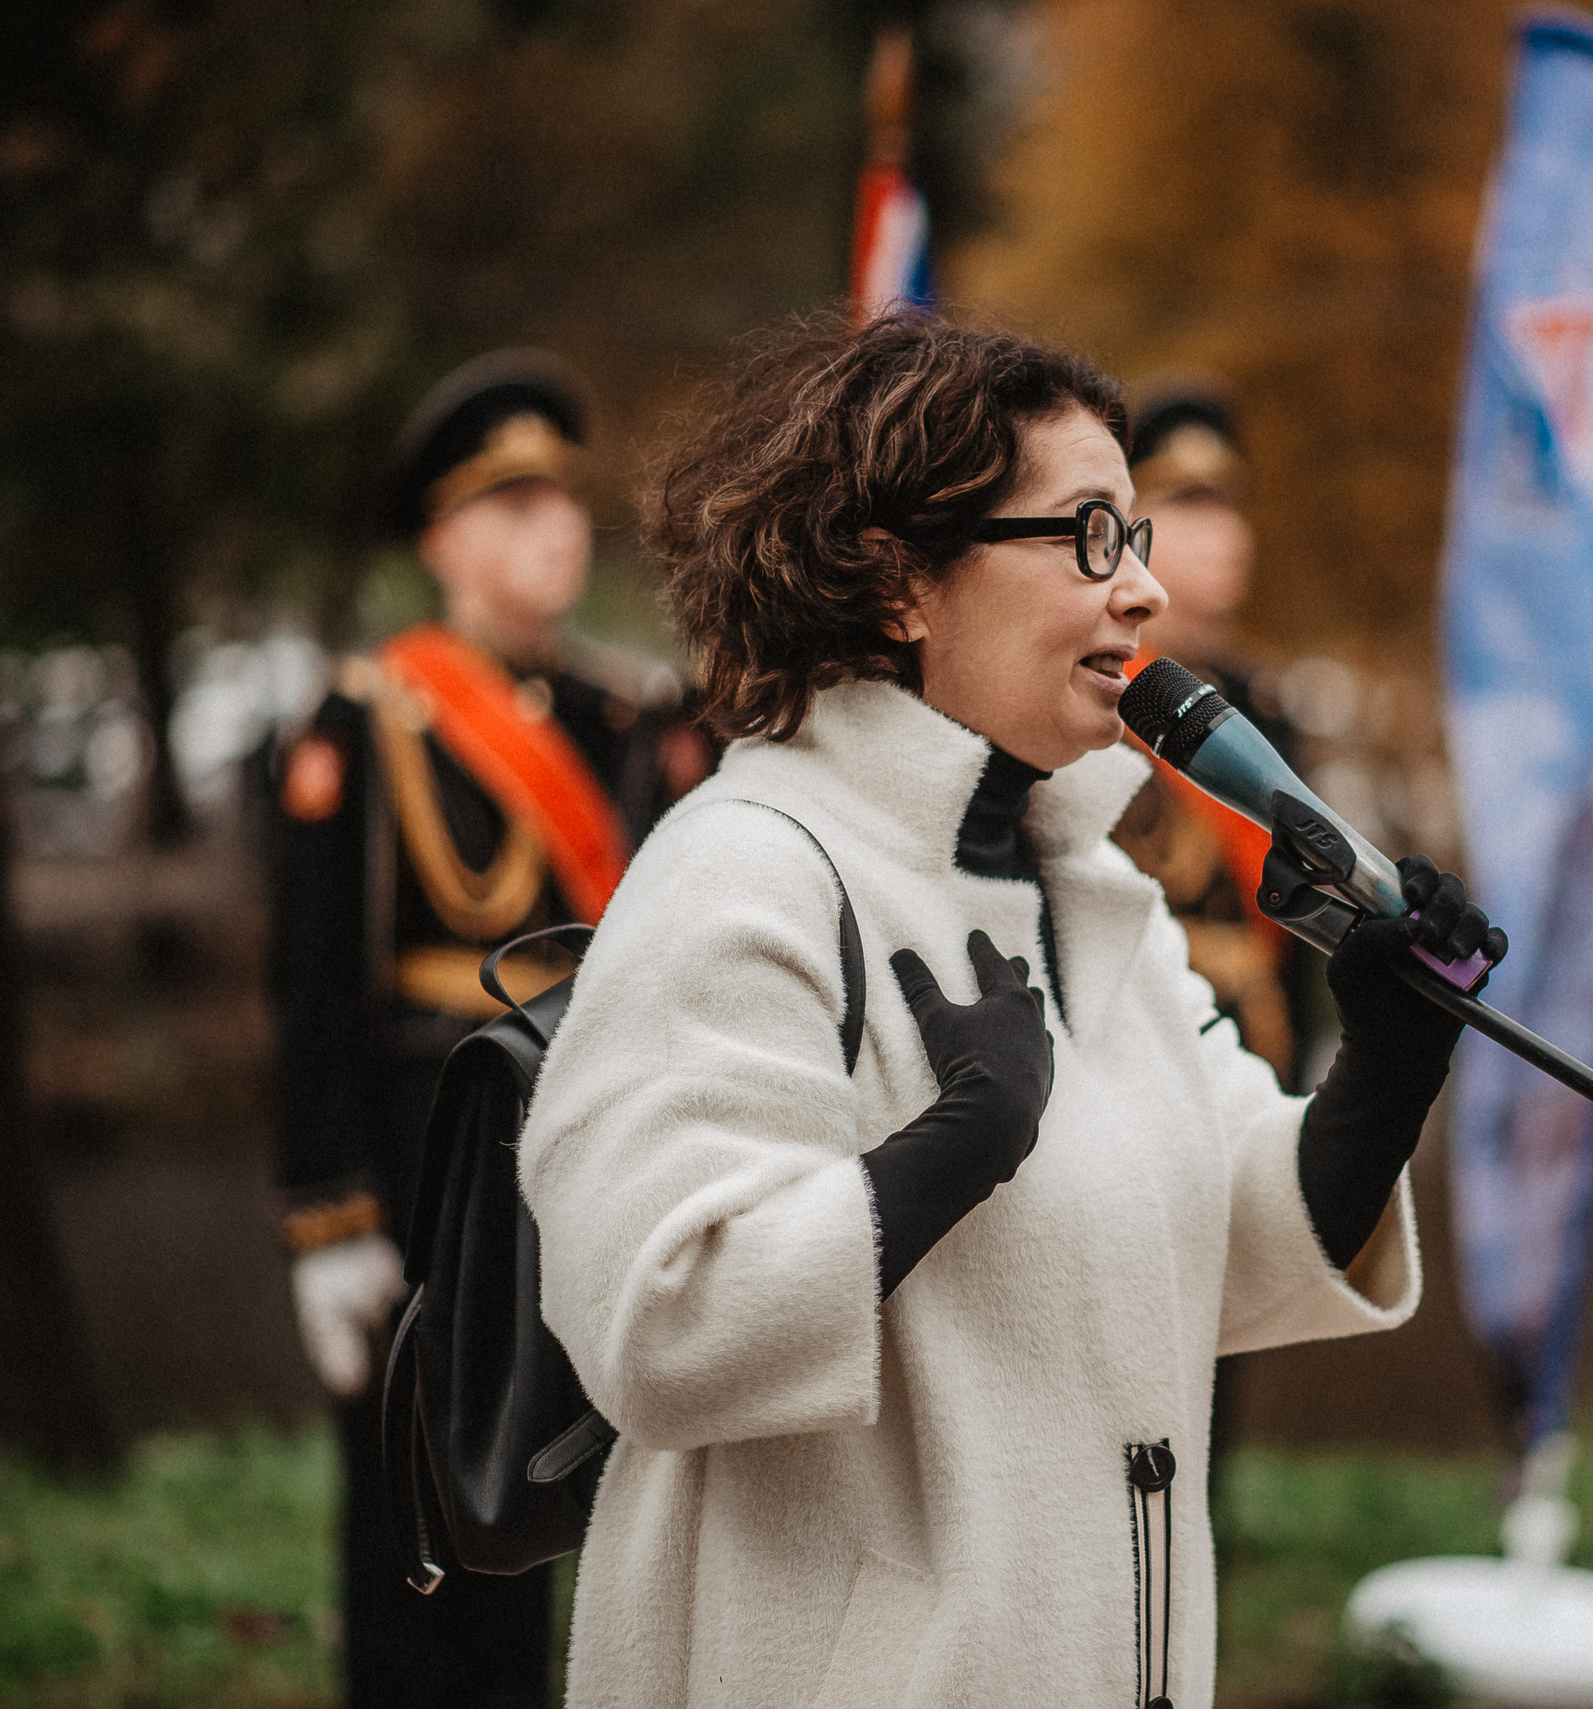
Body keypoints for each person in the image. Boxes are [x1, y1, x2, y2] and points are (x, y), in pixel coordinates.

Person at [516, 312, 1502, 1708]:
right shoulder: (745, 869)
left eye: (1141, 537)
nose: (1143, 590)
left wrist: (1391, 1063)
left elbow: (1227, 1242)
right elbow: (655, 1331)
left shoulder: (1086, 887)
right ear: (899, 576)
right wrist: (954, 1146)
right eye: (1092, 536)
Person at [267, 349, 710, 1709]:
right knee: (412, 1498)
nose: (555, 529)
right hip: (430, 1153)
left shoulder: (629, 716)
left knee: (555, 1486)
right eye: (512, 506)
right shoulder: (369, 718)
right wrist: (331, 1218)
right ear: (443, 539)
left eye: (563, 502)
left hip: (587, 1147)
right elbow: (316, 988)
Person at [1108, 382, 1311, 1083]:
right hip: (1151, 1068)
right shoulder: (1098, 698)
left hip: (1268, 1073)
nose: (1222, 536)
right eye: (1189, 507)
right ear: (1131, 529)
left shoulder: (1268, 702)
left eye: (1228, 507)